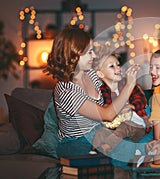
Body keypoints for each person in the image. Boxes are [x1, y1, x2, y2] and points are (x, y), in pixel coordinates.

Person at [44, 26, 140, 158]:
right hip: (76, 142)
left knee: (129, 144)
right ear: (74, 54)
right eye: (89, 52)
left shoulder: (90, 74)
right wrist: (130, 85)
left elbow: (102, 109)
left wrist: (121, 108)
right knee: (119, 151)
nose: (94, 56)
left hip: (99, 134)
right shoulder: (66, 90)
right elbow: (107, 115)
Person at [92, 52, 151, 153]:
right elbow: (105, 107)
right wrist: (116, 109)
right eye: (112, 66)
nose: (118, 68)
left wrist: (131, 106)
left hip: (137, 125)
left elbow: (141, 100)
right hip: (115, 125)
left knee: (124, 127)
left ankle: (106, 147)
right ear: (100, 74)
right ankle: (94, 153)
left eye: (118, 65)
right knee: (101, 132)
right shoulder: (102, 91)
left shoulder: (128, 83)